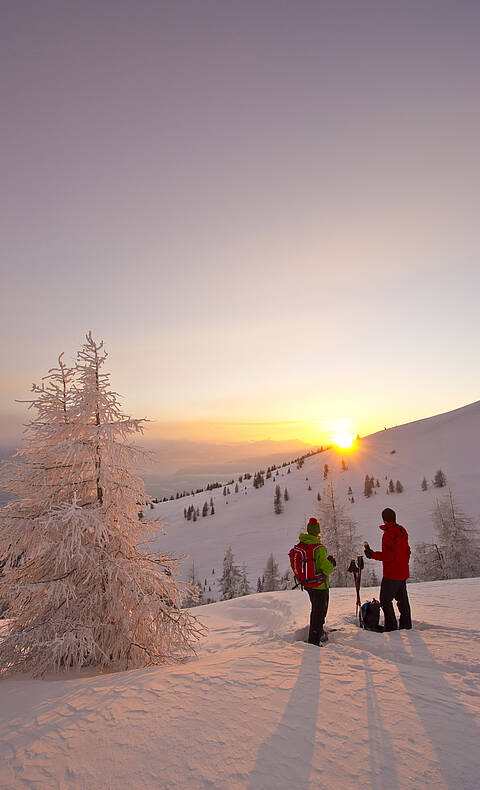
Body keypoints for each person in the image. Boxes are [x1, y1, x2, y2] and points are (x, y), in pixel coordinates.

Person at [364, 507, 412, 631]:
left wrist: (372, 554)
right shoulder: (402, 531)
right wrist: (403, 563)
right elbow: (407, 551)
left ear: (384, 520)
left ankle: (391, 627)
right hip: (402, 571)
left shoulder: (388, 534)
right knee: (402, 601)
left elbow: (388, 556)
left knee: (385, 600)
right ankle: (406, 626)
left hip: (391, 573)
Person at [299, 517, 336, 645]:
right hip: (319, 585)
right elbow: (326, 568)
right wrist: (331, 563)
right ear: (318, 531)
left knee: (316, 609)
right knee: (319, 612)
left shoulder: (303, 544)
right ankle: (314, 641)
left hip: (308, 583)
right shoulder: (318, 547)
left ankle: (318, 632)